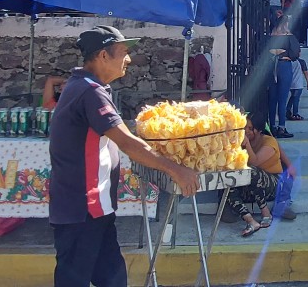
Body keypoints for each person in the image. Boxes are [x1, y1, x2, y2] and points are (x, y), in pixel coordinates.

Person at [49, 25, 198, 287]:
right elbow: (128, 143)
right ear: (103, 56)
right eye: (122, 52)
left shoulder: (87, 86)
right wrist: (176, 169)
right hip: (83, 207)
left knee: (112, 278)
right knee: (76, 279)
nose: (128, 59)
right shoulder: (89, 92)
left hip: (95, 207)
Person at [228, 114, 297, 237]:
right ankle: (250, 220)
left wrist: (247, 144)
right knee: (227, 180)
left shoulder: (268, 142)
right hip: (252, 188)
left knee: (252, 171)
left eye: (250, 128)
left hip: (273, 184)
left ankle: (266, 213)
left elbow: (255, 162)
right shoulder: (241, 141)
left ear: (259, 130)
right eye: (244, 128)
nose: (246, 131)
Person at [267, 16, 299, 139]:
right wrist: (284, 53)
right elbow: (295, 53)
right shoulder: (289, 36)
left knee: (272, 98)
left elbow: (264, 50)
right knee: (282, 98)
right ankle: (282, 127)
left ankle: (271, 126)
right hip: (284, 65)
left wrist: (275, 51)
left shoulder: (271, 35)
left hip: (272, 66)